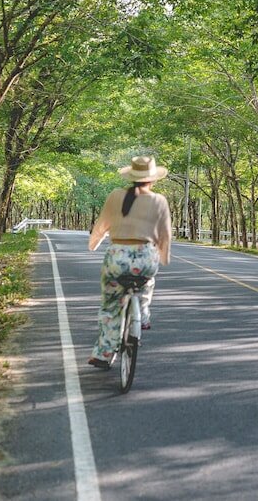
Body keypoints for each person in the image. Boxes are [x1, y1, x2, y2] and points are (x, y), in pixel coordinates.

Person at [87, 156, 172, 368]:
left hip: (117, 258)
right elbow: (165, 235)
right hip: (145, 258)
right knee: (147, 283)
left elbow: (102, 225)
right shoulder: (159, 200)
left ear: (131, 176)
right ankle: (143, 314)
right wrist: (163, 258)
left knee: (110, 306)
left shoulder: (115, 196)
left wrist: (93, 244)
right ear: (153, 179)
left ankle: (104, 354)